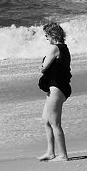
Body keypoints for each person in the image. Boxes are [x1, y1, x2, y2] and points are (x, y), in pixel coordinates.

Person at [37, 22, 71, 161]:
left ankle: (63, 155)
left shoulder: (55, 48)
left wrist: (42, 66)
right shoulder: (64, 48)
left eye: (47, 35)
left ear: (53, 34)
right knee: (46, 120)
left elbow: (44, 68)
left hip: (57, 88)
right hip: (58, 87)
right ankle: (51, 152)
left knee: (55, 123)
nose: (46, 38)